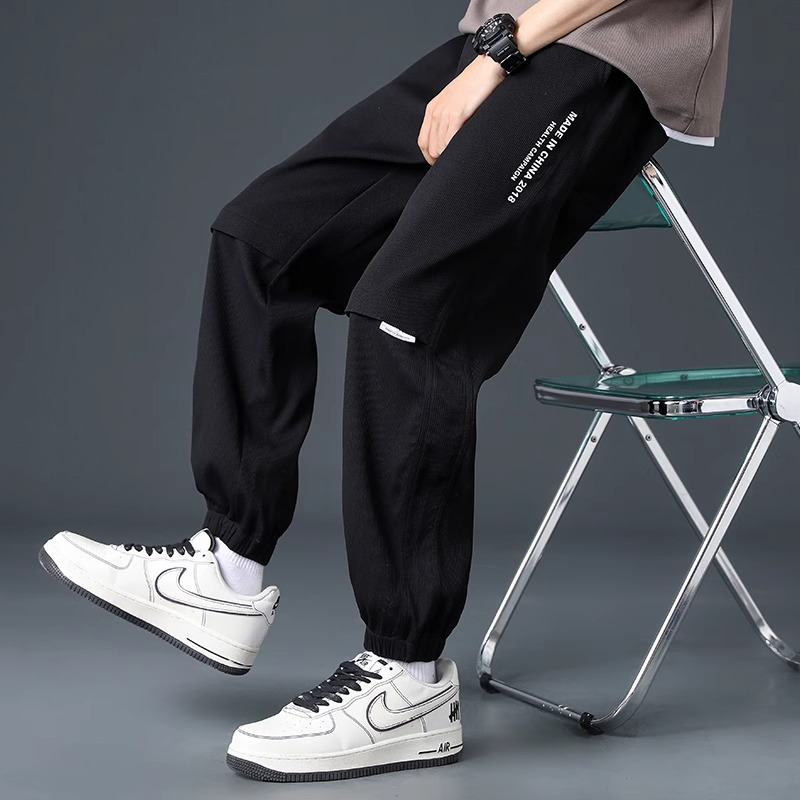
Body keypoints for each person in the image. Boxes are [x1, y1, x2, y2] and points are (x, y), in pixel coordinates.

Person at [38, 0, 733, 784]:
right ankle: (224, 568)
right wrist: (494, 44)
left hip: (603, 53)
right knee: (262, 240)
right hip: (504, 33)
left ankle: (408, 678)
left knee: (406, 317)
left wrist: (499, 55)